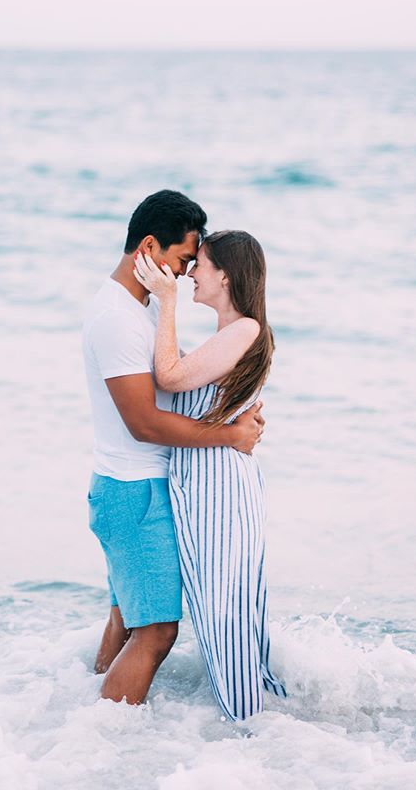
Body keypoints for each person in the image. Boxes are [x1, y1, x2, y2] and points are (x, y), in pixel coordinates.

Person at [82, 191, 265, 707]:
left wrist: (235, 409)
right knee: (157, 631)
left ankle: (86, 723)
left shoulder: (134, 310)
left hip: (128, 490)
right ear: (148, 246)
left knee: (127, 618)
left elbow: (181, 381)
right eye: (184, 258)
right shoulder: (118, 318)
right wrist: (231, 436)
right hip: (135, 491)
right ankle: (104, 742)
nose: (185, 274)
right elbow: (144, 423)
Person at [133, 229, 287, 720]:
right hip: (205, 483)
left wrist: (166, 300)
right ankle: (251, 723)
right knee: (216, 609)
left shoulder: (244, 329)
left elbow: (171, 377)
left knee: (227, 612)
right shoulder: (229, 334)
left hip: (220, 486)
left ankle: (252, 730)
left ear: (225, 274)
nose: (191, 273)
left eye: (199, 265)